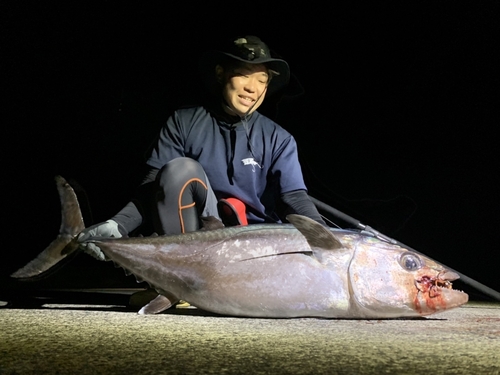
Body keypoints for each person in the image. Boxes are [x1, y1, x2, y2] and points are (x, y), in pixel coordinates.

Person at [79, 35, 325, 260]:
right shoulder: (183, 122)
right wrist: (118, 223)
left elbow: (294, 197)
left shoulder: (279, 138)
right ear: (221, 73)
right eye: (244, 74)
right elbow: (154, 186)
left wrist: (327, 240)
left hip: (254, 244)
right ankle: (182, 274)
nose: (253, 88)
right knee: (180, 169)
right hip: (199, 237)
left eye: (262, 80)